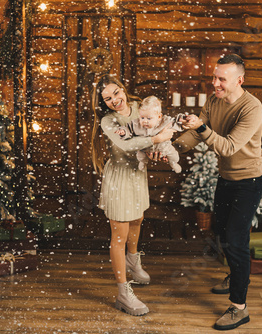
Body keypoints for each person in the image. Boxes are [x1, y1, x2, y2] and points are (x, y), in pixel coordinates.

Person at [173, 54, 262, 331]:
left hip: (249, 181)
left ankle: (240, 307)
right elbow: (195, 133)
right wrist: (171, 147)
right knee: (222, 232)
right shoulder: (214, 100)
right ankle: (235, 274)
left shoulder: (252, 108)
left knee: (236, 240)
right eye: (214, 77)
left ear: (240, 80)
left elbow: (226, 147)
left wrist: (201, 128)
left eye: (221, 79)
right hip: (225, 177)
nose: (215, 83)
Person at [91, 74, 175, 316]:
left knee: (137, 219)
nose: (114, 100)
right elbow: (127, 145)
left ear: (122, 88)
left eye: (116, 93)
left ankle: (132, 261)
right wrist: (156, 139)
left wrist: (156, 150)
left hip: (137, 174)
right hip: (119, 177)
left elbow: (158, 124)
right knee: (120, 233)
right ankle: (123, 293)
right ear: (103, 102)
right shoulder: (109, 121)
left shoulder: (140, 107)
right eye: (107, 98)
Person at [116, 96, 185, 173]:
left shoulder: (164, 121)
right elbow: (128, 129)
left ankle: (174, 163)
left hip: (164, 147)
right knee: (140, 155)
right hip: (145, 149)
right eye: (142, 117)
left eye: (149, 118)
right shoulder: (136, 124)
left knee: (173, 154)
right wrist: (123, 132)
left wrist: (183, 119)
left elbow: (175, 122)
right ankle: (143, 162)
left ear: (159, 117)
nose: (145, 121)